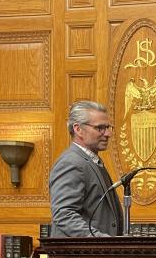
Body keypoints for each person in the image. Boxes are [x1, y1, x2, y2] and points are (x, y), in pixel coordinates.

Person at [49, 100, 122, 237]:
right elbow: (64, 215)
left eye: (108, 127)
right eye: (100, 128)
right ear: (78, 129)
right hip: (78, 256)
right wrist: (101, 240)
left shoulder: (91, 161)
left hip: (97, 256)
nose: (108, 134)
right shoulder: (71, 163)